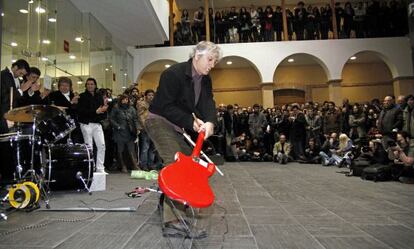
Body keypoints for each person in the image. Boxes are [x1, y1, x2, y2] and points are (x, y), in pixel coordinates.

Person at [145, 41, 221, 239]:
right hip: (159, 121)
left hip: (177, 126)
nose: (212, 65)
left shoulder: (205, 79)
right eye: (210, 59)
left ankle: (168, 206)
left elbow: (207, 102)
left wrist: (210, 122)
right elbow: (165, 106)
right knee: (177, 164)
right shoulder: (173, 74)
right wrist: (190, 121)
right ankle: (172, 221)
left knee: (190, 166)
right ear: (197, 55)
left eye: (215, 61)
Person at [77, 78, 108, 174]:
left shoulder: (99, 97)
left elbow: (103, 113)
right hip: (86, 124)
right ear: (86, 86)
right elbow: (81, 112)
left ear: (95, 85)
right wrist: (96, 112)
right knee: (89, 147)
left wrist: (103, 110)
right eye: (88, 84)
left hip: (97, 124)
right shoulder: (82, 96)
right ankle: (90, 168)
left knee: (102, 145)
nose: (90, 86)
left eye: (92, 84)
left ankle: (100, 168)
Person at [110, 94, 140, 173]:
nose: (125, 101)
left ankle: (135, 165)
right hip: (119, 132)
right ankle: (123, 166)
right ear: (120, 100)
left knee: (131, 149)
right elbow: (111, 118)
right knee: (121, 150)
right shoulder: (116, 108)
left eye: (126, 100)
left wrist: (137, 128)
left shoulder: (132, 108)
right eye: (123, 100)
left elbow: (136, 119)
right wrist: (118, 126)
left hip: (130, 132)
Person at [0, 59, 31, 133]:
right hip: (4, 116)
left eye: (23, 74)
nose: (21, 76)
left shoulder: (17, 79)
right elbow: (4, 98)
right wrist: (21, 90)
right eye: (20, 73)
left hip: (14, 116)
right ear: (16, 67)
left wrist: (29, 91)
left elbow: (19, 100)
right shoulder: (3, 75)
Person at [137, 89, 157, 171]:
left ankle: (151, 164)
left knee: (153, 148)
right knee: (145, 147)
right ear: (145, 96)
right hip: (145, 128)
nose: (151, 97)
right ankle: (143, 164)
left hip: (154, 128)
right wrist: (145, 126)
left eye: (152, 95)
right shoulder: (141, 104)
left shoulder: (155, 104)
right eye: (149, 95)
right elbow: (140, 116)